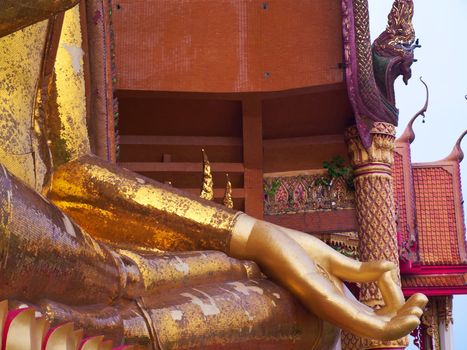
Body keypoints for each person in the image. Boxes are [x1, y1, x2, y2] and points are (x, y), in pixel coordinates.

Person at [0, 1, 427, 348]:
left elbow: (71, 171)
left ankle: (113, 327)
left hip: (49, 241)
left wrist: (257, 237)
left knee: (301, 315)